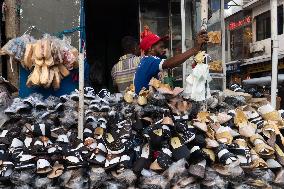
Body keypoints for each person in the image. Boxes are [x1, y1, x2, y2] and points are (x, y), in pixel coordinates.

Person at [134, 31, 208, 94]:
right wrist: (194, 49)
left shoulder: (145, 60)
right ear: (150, 49)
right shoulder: (150, 60)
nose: (164, 49)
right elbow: (169, 63)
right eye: (161, 47)